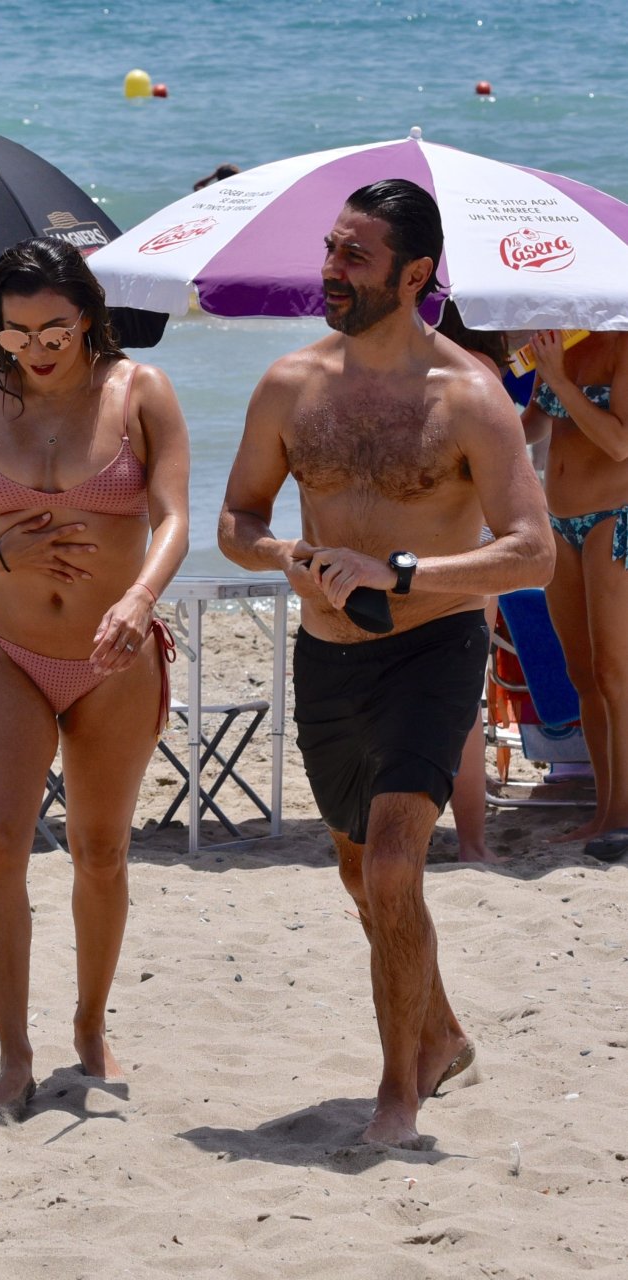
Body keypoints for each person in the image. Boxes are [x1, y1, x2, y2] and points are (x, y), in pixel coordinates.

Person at [218, 179, 554, 1149]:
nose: (330, 268)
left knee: (398, 864)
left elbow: (532, 552)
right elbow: (237, 521)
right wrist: (289, 556)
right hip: (328, 658)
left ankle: (396, 1096)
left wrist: (399, 571)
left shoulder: (468, 395)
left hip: (432, 647)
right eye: (330, 248)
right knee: (366, 877)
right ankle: (441, 1033)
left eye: (353, 255)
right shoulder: (289, 385)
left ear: (415, 275)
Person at [0, 238, 190, 1117]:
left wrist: (140, 599)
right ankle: (13, 1056)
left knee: (101, 852)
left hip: (114, 656)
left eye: (54, 330)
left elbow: (175, 519)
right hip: (6, 651)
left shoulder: (140, 393)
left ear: (89, 317)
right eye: (15, 332)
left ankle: (88, 1020)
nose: (35, 349)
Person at [521, 328, 628, 861]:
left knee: (614, 674)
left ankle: (620, 816)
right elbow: (535, 425)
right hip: (559, 521)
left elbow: (619, 443)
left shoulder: (622, 346)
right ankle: (604, 811)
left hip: (615, 514)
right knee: (583, 673)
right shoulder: (561, 342)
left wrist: (560, 379)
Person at [434, 300, 510, 864]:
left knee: (436, 694)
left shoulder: (430, 371)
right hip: (478, 537)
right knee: (464, 697)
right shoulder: (486, 376)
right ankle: (472, 843)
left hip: (434, 538)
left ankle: (463, 837)